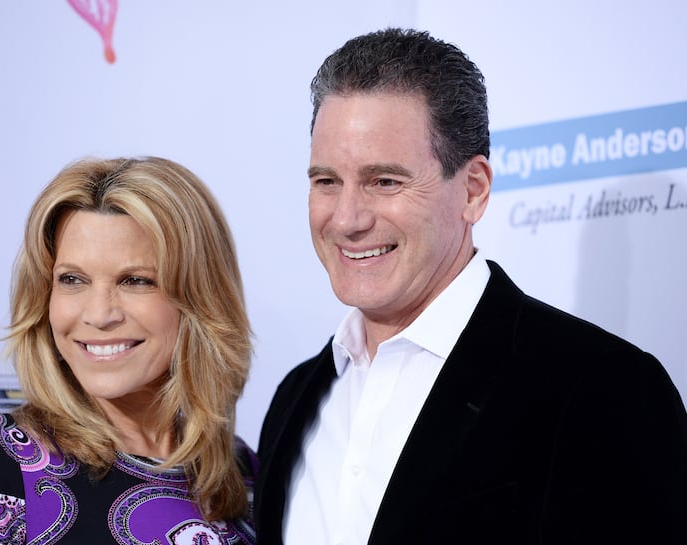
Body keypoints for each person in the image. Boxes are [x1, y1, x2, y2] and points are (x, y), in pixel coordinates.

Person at [254, 28, 687, 544]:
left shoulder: (603, 388)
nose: (346, 219)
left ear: (474, 190)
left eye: (384, 181)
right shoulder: (294, 398)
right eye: (326, 181)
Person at [0, 157, 256, 544]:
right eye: (72, 279)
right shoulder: (2, 460)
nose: (99, 315)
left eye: (136, 280)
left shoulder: (243, 471)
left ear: (200, 299)